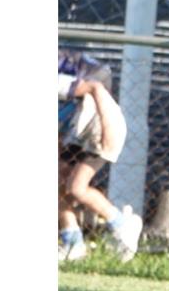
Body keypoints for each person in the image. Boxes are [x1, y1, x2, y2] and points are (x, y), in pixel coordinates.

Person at [59, 57, 142, 262]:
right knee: (58, 185)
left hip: (100, 130)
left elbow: (96, 87)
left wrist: (106, 126)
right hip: (78, 132)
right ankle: (72, 242)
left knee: (77, 188)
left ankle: (121, 223)